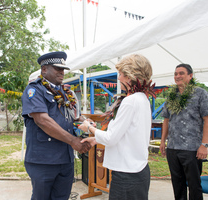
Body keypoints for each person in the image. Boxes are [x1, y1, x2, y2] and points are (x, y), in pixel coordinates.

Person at [79, 54, 156, 200]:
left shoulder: (130, 101)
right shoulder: (142, 98)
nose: (119, 78)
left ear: (129, 76)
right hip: (138, 171)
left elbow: (111, 138)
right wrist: (96, 140)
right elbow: (128, 135)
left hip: (127, 175)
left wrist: (89, 127)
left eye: (120, 74)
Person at [21, 51, 91, 200]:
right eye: (57, 68)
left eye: (63, 69)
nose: (62, 72)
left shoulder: (66, 92)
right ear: (44, 69)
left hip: (65, 159)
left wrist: (85, 122)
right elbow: (42, 120)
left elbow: (74, 116)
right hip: (43, 160)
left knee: (62, 197)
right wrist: (73, 141)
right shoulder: (34, 90)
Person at [159, 64, 208, 200]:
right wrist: (162, 141)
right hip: (173, 147)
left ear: (190, 76)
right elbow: (166, 119)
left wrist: (204, 145)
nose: (178, 76)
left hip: (192, 149)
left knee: (194, 186)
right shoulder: (172, 96)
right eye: (176, 73)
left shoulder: (200, 93)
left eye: (181, 73)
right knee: (177, 185)